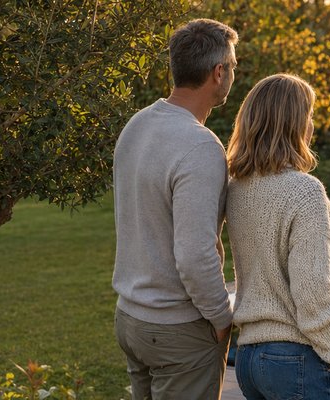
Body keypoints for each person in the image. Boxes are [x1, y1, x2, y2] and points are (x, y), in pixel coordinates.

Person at [112, 19, 238, 400]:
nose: (234, 73)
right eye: (233, 66)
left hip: (131, 318)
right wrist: (221, 318)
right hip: (177, 330)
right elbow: (195, 255)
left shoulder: (137, 124)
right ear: (218, 73)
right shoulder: (200, 147)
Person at [226, 74, 330, 400]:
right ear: (294, 124)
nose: (312, 126)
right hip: (295, 357)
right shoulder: (304, 191)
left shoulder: (237, 188)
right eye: (309, 116)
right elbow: (313, 289)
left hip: (248, 359)